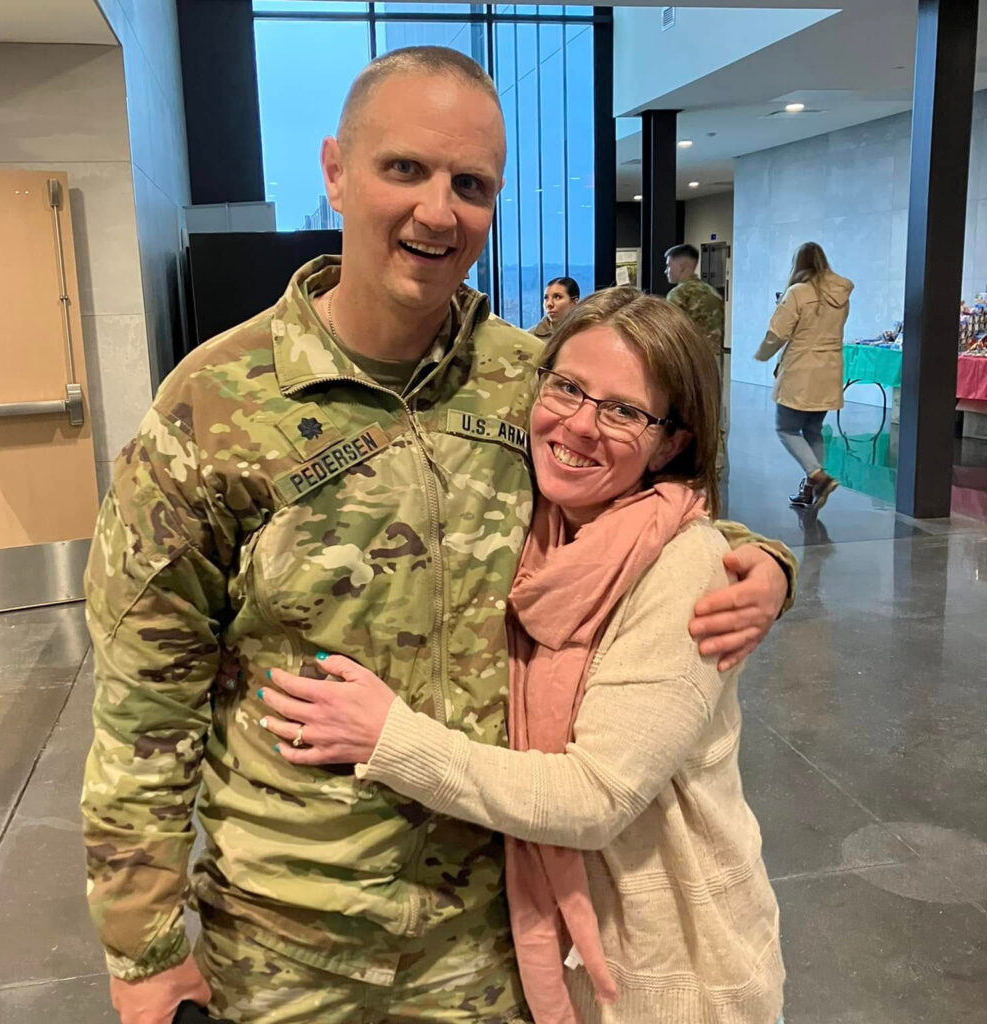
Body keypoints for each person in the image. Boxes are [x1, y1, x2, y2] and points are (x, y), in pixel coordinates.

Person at [82, 47, 796, 1024]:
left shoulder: (525, 379)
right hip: (290, 944)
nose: (437, 211)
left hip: (491, 941)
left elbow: (640, 493)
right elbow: (143, 696)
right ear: (337, 171)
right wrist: (144, 946)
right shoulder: (213, 403)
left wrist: (761, 560)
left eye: (471, 185)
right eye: (404, 169)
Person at [259, 288, 785, 1024]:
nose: (580, 424)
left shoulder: (686, 571)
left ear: (670, 444)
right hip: (564, 956)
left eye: (623, 411)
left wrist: (389, 738)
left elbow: (595, 797)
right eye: (567, 387)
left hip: (671, 973)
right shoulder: (545, 527)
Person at [755, 241, 853, 511]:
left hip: (801, 369)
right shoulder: (842, 295)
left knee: (785, 428)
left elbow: (778, 332)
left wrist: (762, 354)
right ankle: (810, 489)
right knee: (813, 430)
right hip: (829, 369)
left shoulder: (798, 292)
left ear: (798, 264)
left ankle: (818, 476)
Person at [665, 244, 726, 468]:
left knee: (686, 415)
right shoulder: (713, 294)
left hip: (688, 365)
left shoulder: (678, 295)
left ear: (682, 266)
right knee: (711, 414)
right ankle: (715, 463)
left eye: (669, 265)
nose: (666, 270)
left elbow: (670, 336)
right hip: (713, 364)